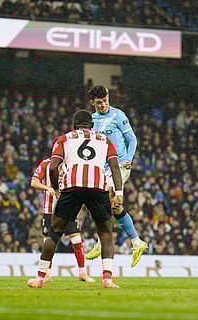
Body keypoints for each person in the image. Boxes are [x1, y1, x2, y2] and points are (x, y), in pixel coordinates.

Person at [28, 109, 123, 289]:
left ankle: (40, 278)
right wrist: (119, 193)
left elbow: (53, 167)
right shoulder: (105, 140)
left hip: (72, 186)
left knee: (55, 232)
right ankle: (107, 279)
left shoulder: (64, 139)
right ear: (92, 125)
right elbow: (115, 167)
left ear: (74, 125)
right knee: (105, 233)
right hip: (98, 187)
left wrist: (56, 188)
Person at [85, 85, 148, 267]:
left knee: (110, 197)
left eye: (105, 101)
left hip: (120, 165)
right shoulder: (92, 120)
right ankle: (137, 242)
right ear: (92, 103)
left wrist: (129, 158)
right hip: (102, 168)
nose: (103, 105)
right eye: (99, 103)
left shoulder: (118, 115)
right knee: (113, 206)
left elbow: (132, 139)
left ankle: (101, 242)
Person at [31, 157, 94, 282]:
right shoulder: (46, 164)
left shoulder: (71, 164)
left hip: (69, 208)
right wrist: (47, 188)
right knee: (48, 241)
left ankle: (82, 273)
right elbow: (33, 182)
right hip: (50, 210)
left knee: (76, 239)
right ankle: (47, 273)